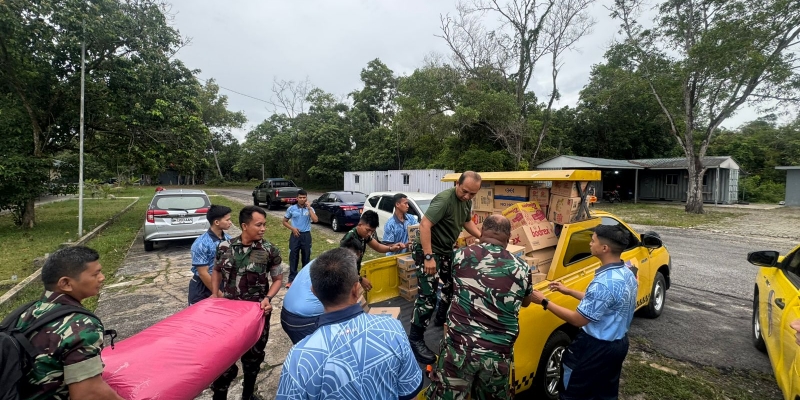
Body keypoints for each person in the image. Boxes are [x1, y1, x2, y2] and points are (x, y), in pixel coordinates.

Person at [276, 248, 423, 400]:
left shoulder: (299, 358)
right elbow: (411, 392)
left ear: (313, 291)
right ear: (356, 289)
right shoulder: (393, 329)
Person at [427, 215, 533, 399]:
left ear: (482, 231)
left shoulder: (460, 256)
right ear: (508, 238)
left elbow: (450, 286)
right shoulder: (522, 268)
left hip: (459, 350)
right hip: (497, 355)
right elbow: (525, 301)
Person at [531, 224, 638, 400]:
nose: (589, 243)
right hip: (618, 345)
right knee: (604, 392)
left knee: (574, 391)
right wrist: (568, 291)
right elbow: (604, 302)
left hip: (594, 347)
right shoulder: (625, 272)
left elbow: (578, 320)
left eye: (593, 240)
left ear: (604, 248)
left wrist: (544, 301)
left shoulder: (603, 283)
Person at [11, 246, 124, 400]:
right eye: (95, 274)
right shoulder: (81, 325)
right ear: (65, 283)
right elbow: (89, 394)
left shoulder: (25, 312)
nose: (102, 277)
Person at [408, 171, 482, 365]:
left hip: (446, 250)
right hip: (428, 249)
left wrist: (483, 237)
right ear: (457, 183)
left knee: (452, 285)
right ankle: (415, 339)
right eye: (464, 191)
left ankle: (441, 317)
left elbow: (466, 221)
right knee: (427, 296)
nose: (467, 196)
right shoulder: (444, 200)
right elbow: (424, 225)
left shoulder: (466, 201)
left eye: (472, 194)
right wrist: (429, 257)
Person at [210, 205, 283, 400]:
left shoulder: (270, 250)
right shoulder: (224, 247)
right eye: (258, 225)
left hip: (256, 314)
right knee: (224, 360)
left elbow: (277, 279)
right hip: (228, 315)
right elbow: (216, 270)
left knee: (253, 359)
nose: (263, 229)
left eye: (264, 225)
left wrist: (268, 298)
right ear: (244, 226)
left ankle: (248, 395)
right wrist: (215, 293)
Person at [280, 235, 365, 344]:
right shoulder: (336, 272)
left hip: (286, 315)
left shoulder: (323, 262)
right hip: (304, 321)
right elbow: (344, 304)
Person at [340, 210, 405, 292]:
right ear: (360, 224)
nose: (370, 234)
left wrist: (391, 248)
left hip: (354, 276)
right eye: (368, 230)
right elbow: (344, 269)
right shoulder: (350, 240)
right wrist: (360, 279)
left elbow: (377, 246)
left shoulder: (364, 235)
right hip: (347, 280)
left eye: (372, 231)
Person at [188, 204, 233, 305]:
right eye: (227, 220)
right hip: (203, 287)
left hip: (222, 283)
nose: (230, 222)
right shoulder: (201, 243)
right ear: (216, 222)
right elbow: (203, 273)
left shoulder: (229, 239)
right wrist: (219, 294)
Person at [282, 190, 317, 288]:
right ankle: (291, 279)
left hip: (306, 235)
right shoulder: (291, 209)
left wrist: (309, 208)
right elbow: (284, 221)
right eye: (300, 197)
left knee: (306, 257)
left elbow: (315, 220)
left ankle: (305, 279)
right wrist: (292, 228)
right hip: (295, 236)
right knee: (293, 256)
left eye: (304, 197)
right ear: (297, 198)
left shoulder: (310, 209)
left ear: (306, 198)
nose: (302, 199)